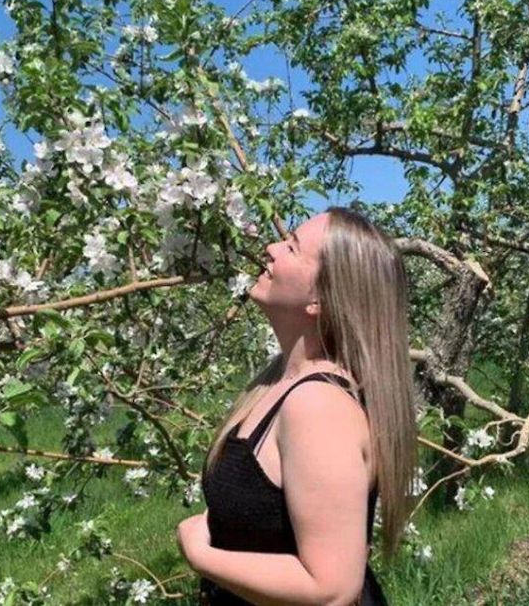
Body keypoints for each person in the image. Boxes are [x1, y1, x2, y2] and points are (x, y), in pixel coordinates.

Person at [175, 206, 417, 605]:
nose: (271, 248)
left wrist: (201, 555)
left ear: (320, 298)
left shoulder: (317, 406)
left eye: (292, 247)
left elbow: (331, 589)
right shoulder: (275, 382)